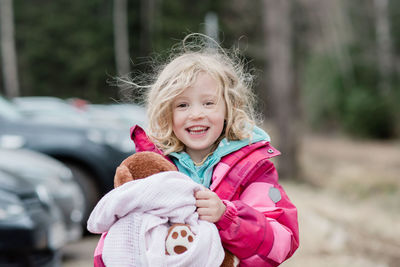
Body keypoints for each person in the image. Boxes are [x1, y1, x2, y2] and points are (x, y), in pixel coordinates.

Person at [92, 34, 299, 267]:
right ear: (166, 113)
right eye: (183, 105)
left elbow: (282, 242)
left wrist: (227, 216)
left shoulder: (252, 168)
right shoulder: (150, 171)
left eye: (208, 103)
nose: (196, 114)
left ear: (229, 108)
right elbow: (116, 240)